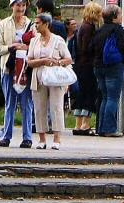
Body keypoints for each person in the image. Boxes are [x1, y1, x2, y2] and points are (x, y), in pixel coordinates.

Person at [27, 12, 73, 150]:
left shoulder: (58, 40)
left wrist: (57, 62)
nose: (36, 26)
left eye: (38, 23)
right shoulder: (34, 40)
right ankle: (42, 138)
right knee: (39, 108)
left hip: (55, 77)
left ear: (46, 24)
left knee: (56, 106)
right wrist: (42, 61)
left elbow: (69, 59)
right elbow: (29, 61)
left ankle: (57, 138)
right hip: (39, 76)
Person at [0, 0, 35, 148]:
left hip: (25, 68)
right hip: (9, 67)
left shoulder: (32, 24)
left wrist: (27, 46)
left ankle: (27, 137)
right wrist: (12, 46)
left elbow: (36, 45)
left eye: (23, 5)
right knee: (10, 103)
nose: (21, 8)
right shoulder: (4, 24)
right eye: (18, 5)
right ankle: (6, 135)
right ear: (12, 6)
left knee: (27, 103)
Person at [92, 4, 124, 137]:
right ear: (114, 17)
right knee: (113, 98)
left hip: (98, 67)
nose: (121, 17)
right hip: (113, 66)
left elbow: (92, 48)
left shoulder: (99, 30)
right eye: (119, 14)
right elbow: (122, 46)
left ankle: (101, 128)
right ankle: (109, 129)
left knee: (105, 97)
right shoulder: (118, 30)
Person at [71, 2, 101, 135]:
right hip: (88, 65)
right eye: (99, 13)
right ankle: (85, 124)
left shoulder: (81, 26)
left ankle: (78, 124)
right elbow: (87, 47)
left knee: (81, 95)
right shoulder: (90, 28)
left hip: (79, 65)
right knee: (89, 94)